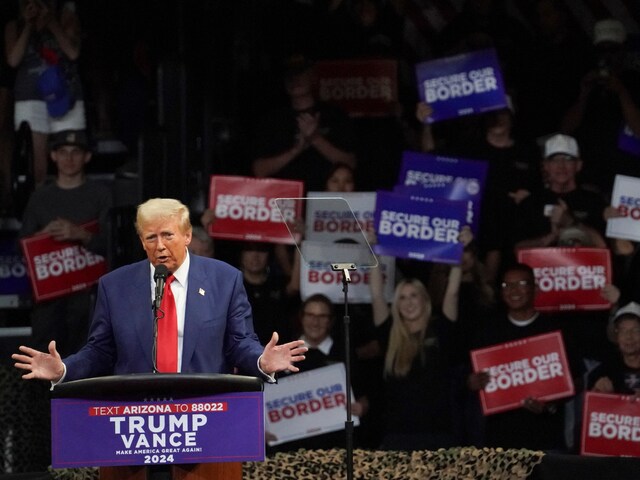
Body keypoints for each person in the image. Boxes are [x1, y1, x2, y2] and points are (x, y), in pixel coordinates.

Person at [12, 198, 307, 384]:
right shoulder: (115, 286)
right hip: (136, 417)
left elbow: (239, 342)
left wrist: (261, 362)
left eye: (168, 235)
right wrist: (65, 369)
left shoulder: (224, 280)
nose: (160, 246)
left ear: (188, 235)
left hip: (203, 410)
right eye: (151, 237)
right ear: (141, 242)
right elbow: (100, 350)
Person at [19, 129, 111, 358]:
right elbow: (23, 249)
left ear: (86, 157)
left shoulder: (100, 194)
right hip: (49, 298)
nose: (69, 159)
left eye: (76, 152)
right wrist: (42, 237)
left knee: (85, 356)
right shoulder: (40, 197)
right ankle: (44, 395)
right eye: (63, 152)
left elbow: (115, 245)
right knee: (43, 357)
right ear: (53, 156)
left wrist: (81, 235)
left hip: (87, 295)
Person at [466, 263, 578, 451]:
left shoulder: (555, 330)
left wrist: (550, 403)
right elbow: (467, 378)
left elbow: (577, 379)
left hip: (545, 439)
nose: (513, 290)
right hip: (499, 440)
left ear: (535, 289)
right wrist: (470, 382)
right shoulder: (488, 331)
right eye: (507, 285)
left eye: (521, 284)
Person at [5, 0, 86, 187]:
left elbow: (73, 52)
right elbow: (13, 60)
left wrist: (52, 23)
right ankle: (40, 211)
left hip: (66, 95)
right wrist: (28, 24)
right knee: (36, 167)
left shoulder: (67, 18)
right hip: (30, 97)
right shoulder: (14, 26)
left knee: (70, 160)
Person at [251, 55, 357, 193]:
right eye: (290, 76)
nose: (295, 80)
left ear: (312, 77)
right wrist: (296, 149)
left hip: (326, 203)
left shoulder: (334, 115)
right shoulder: (273, 119)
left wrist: (315, 138)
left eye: (300, 74)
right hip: (286, 201)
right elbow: (259, 170)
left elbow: (350, 162)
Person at [560, 18, 640, 195]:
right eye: (601, 50)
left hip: (626, 172)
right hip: (589, 171)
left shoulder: (635, 81)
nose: (607, 56)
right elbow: (565, 129)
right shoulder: (586, 80)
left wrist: (621, 92)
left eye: (612, 49)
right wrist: (584, 94)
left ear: (623, 51)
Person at [513, 133, 608, 251]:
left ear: (578, 165)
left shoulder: (594, 201)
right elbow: (517, 249)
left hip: (582, 267)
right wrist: (550, 238)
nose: (561, 166)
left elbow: (602, 246)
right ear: (545, 166)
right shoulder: (531, 202)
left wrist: (571, 222)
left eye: (568, 159)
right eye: (554, 160)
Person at [588, 302, 640, 395]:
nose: (629, 336)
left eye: (636, 330)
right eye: (623, 330)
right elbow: (590, 405)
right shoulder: (603, 372)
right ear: (616, 335)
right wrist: (598, 393)